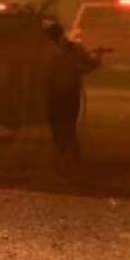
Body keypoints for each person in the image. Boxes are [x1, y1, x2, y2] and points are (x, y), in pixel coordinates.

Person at [43, 23, 102, 162]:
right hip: (66, 92)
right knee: (66, 125)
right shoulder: (74, 49)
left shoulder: (48, 50)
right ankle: (67, 153)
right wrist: (80, 71)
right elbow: (93, 64)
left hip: (60, 93)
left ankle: (66, 153)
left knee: (61, 124)